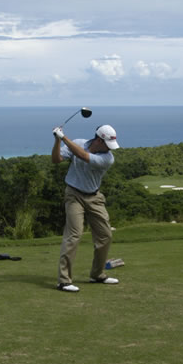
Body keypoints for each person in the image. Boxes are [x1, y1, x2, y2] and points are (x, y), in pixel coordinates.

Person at [51, 124, 120, 292]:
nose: (109, 149)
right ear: (98, 139)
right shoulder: (79, 142)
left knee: (105, 235)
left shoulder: (108, 158)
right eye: (107, 144)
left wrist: (64, 138)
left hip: (94, 197)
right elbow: (56, 160)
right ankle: (64, 281)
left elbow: (83, 155)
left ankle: (97, 275)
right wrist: (57, 141)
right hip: (74, 195)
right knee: (74, 235)